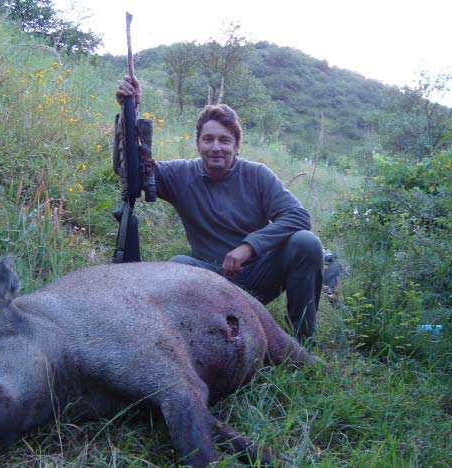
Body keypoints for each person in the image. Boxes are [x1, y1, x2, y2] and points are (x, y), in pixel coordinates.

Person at [116, 76, 323, 343]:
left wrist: (248, 248)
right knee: (179, 265)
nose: (216, 147)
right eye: (208, 139)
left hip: (257, 278)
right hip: (209, 282)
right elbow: (131, 172)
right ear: (198, 143)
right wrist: (127, 113)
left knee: (306, 242)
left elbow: (298, 216)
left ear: (236, 146)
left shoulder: (257, 175)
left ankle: (302, 339)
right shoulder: (180, 174)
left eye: (224, 140)